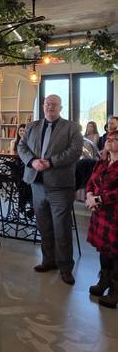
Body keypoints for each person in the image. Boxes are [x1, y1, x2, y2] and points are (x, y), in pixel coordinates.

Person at [18, 94, 83, 285]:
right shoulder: (32, 126)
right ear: (43, 106)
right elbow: (21, 147)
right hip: (37, 183)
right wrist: (32, 161)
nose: (50, 107)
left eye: (54, 104)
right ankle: (48, 260)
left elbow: (75, 151)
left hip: (60, 185)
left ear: (60, 108)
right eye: (47, 104)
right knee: (44, 225)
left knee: (62, 228)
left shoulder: (72, 127)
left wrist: (51, 162)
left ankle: (65, 268)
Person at [85, 129, 118, 308]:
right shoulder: (102, 163)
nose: (110, 140)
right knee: (104, 250)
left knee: (116, 253)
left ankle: (115, 290)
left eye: (116, 139)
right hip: (100, 214)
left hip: (115, 215)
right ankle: (104, 281)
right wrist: (89, 196)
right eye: (109, 138)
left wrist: (98, 200)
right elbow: (91, 181)